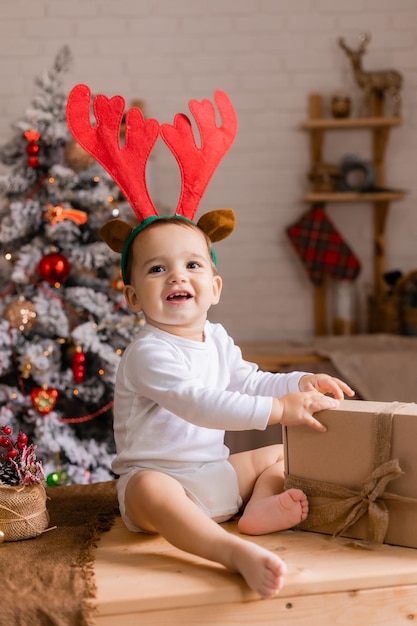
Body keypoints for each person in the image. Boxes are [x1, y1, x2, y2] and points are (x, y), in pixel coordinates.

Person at [111, 215, 355, 600]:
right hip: (162, 480)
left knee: (281, 455)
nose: (177, 277)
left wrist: (299, 382)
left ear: (215, 287)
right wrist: (279, 410)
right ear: (134, 297)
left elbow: (251, 381)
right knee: (148, 488)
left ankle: (258, 510)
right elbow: (198, 404)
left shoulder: (218, 340)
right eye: (157, 269)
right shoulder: (148, 353)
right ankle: (231, 552)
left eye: (192, 265)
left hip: (215, 473)